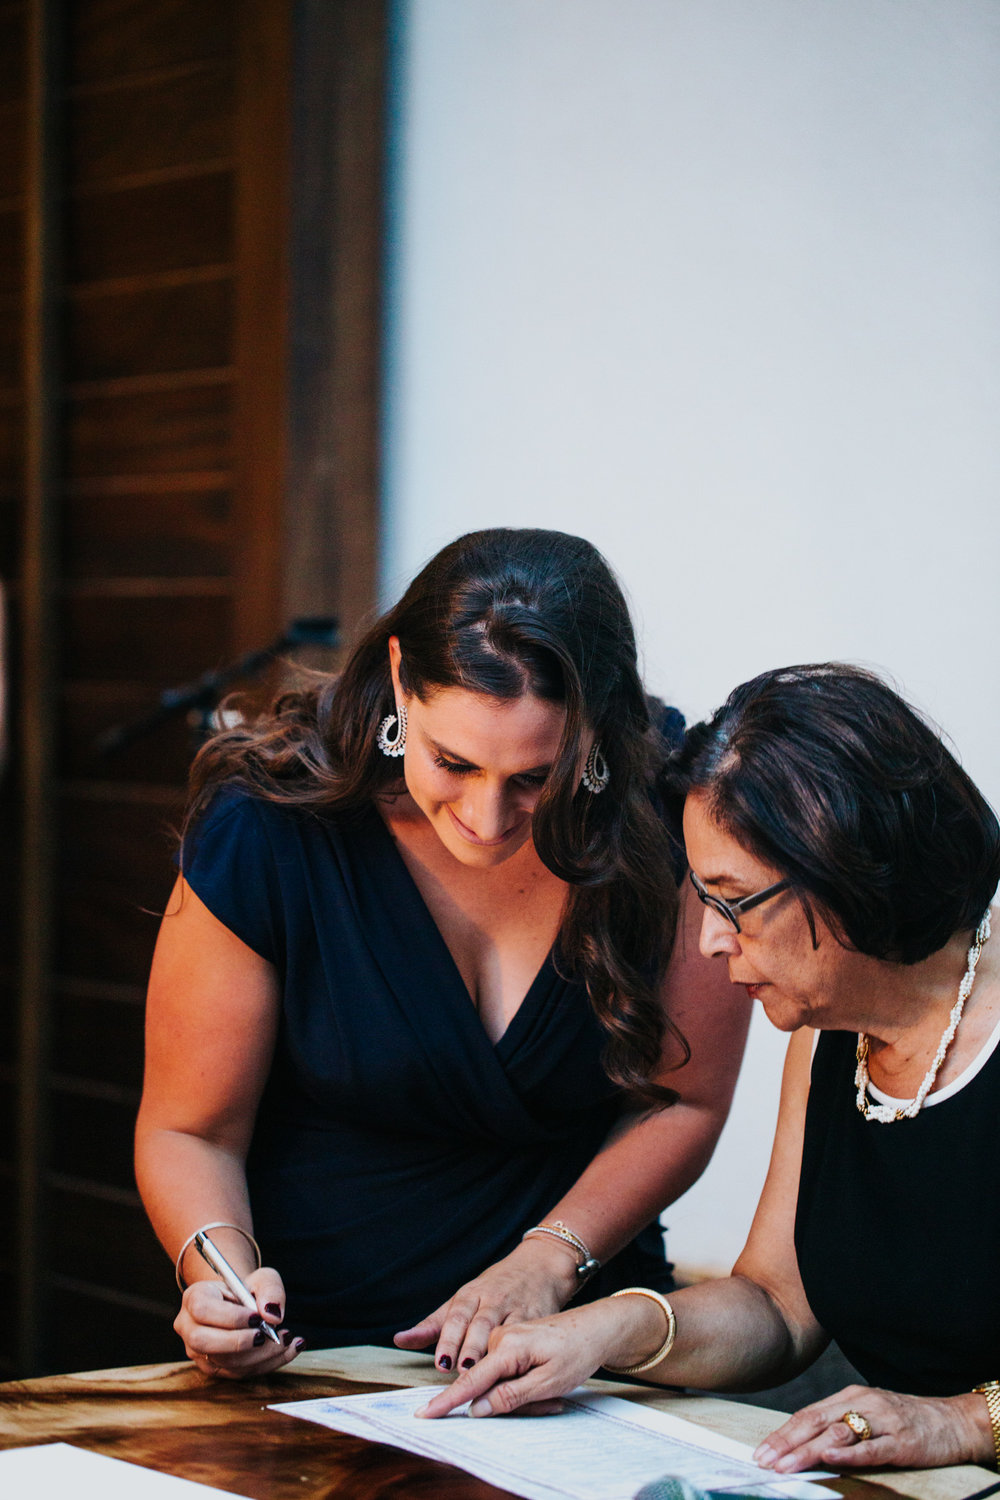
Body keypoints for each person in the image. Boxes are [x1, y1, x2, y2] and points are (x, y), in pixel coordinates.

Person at [135, 528, 749, 1379]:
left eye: (537, 778)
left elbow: (683, 1103)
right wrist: (222, 1278)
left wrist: (543, 1266)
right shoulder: (271, 829)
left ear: (598, 731)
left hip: (575, 1348)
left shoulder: (675, 823)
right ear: (398, 678)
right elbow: (189, 1130)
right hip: (318, 1357)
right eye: (452, 762)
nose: (487, 819)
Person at [420, 663, 1000, 1474]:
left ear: (846, 868)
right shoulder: (834, 1032)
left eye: (733, 901)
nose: (711, 942)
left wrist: (968, 1423)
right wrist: (606, 1328)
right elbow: (779, 1309)